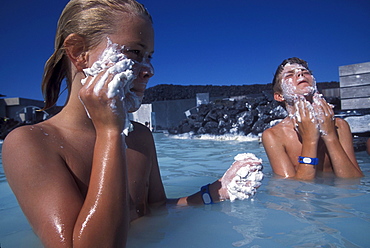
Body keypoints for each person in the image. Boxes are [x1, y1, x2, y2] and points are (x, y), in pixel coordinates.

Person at [2, 1, 262, 247]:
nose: (149, 69)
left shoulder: (140, 137)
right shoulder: (30, 143)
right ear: (79, 52)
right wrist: (109, 132)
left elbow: (155, 209)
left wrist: (215, 192)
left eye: (149, 56)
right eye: (135, 52)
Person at [261, 57, 363, 181]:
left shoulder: (339, 126)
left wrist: (330, 135)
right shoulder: (274, 135)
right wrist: (310, 140)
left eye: (306, 72)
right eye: (289, 75)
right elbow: (291, 191)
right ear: (279, 96)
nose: (300, 73)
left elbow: (353, 182)